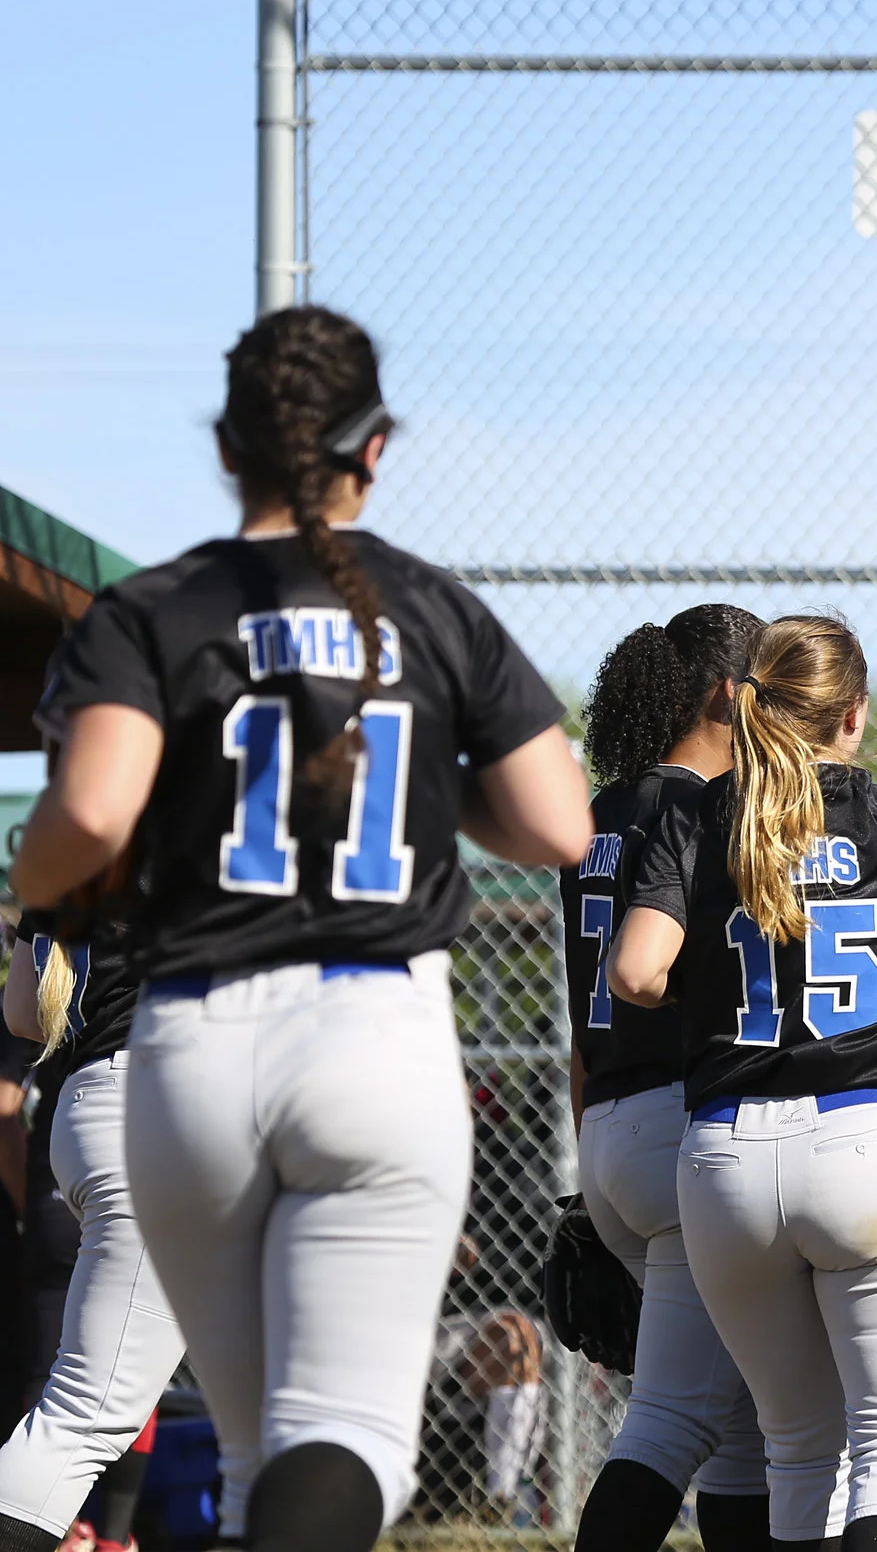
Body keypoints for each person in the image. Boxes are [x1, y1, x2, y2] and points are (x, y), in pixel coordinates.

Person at [9, 305, 592, 1552]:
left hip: (190, 1044)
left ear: (227, 447)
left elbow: (92, 815)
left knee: (247, 1442)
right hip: (374, 1030)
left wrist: (37, 869)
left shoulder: (155, 609)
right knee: (343, 1446)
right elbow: (558, 827)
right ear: (374, 447)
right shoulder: (433, 609)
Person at [608, 613, 877, 1552]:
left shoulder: (696, 814)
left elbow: (635, 974)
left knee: (797, 1450)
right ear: (852, 714)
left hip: (722, 1154)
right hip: (864, 1139)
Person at [565, 607, 772, 1552]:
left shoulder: (598, 813)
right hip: (678, 1123)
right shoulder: (706, 806)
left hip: (607, 1124)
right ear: (731, 692)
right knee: (675, 1417)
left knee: (739, 1429)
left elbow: (580, 1020)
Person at [0, 884, 182, 1552]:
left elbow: (23, 1011)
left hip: (93, 1098)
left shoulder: (76, 829)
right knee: (83, 1413)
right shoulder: (201, 805)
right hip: (160, 1103)